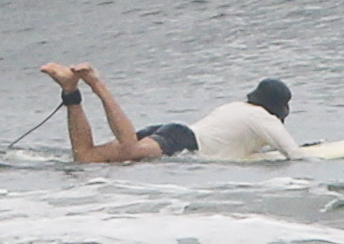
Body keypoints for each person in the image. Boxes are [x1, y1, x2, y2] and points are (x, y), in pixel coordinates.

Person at [39, 62, 306, 162]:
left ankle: (70, 93)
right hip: (182, 142)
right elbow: (294, 156)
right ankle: (97, 84)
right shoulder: (266, 119)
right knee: (131, 150)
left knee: (86, 157)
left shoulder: (238, 107)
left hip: (171, 133)